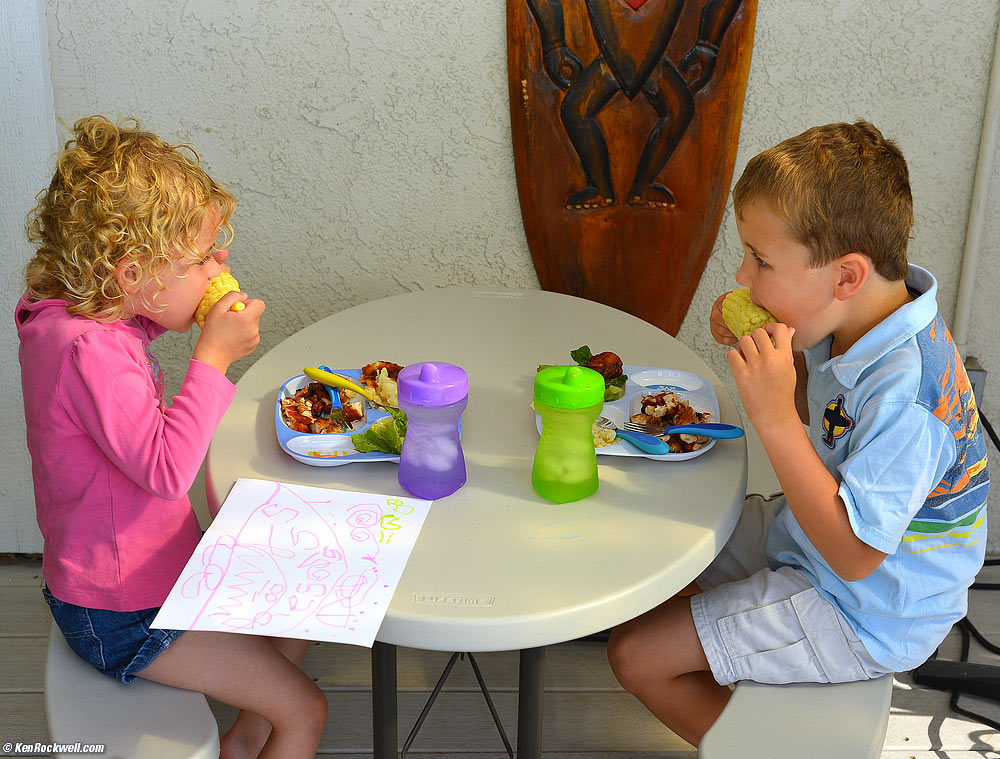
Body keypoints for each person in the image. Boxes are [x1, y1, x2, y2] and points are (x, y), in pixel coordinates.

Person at [607, 120, 989, 746]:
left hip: (869, 608)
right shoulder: (857, 322)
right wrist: (774, 355)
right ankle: (750, 678)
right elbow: (829, 413)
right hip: (813, 536)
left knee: (636, 655)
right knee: (665, 546)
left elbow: (856, 557)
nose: (742, 276)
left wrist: (773, 417)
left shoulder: (910, 396)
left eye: (761, 261)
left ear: (845, 276)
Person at [17, 115, 327, 759]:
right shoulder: (94, 355)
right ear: (132, 275)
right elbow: (165, 471)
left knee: (300, 589)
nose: (218, 267)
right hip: (125, 614)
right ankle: (264, 727)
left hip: (134, 579)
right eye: (200, 259)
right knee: (305, 709)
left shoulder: (71, 320)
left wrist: (189, 301)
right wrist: (212, 358)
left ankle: (244, 739)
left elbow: (129, 339)